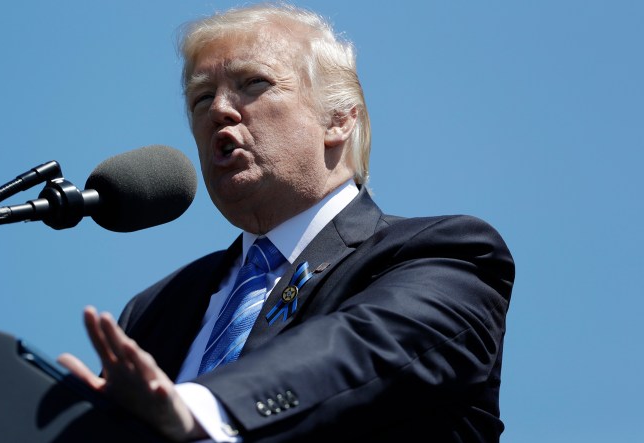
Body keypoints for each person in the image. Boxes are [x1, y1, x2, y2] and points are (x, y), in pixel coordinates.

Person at [57, 3, 515, 442]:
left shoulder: (445, 253)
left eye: (253, 83)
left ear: (338, 119)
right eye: (201, 97)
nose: (219, 109)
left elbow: (361, 350)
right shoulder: (157, 309)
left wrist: (201, 409)